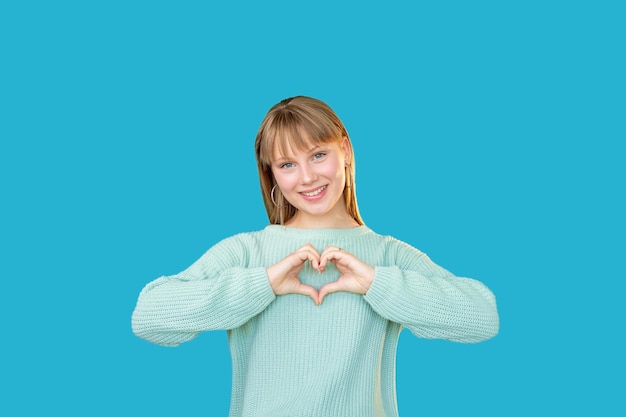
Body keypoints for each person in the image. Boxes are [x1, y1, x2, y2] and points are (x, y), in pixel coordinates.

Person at [131, 96, 499, 417]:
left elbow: (482, 319)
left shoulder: (388, 255)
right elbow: (149, 316)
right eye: (287, 164)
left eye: (318, 155)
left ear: (346, 151)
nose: (306, 177)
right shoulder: (246, 252)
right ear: (271, 174)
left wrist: (376, 283)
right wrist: (263, 284)